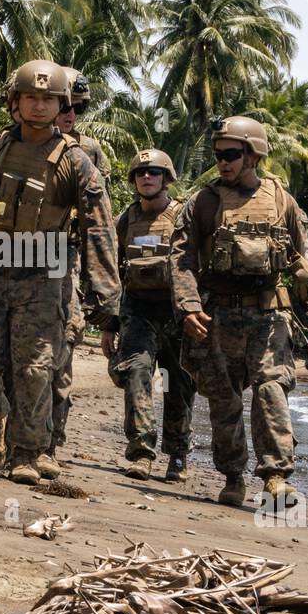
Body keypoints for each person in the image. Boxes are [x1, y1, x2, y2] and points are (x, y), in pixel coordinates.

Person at [0, 60, 120, 485]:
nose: (40, 106)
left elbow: (99, 226)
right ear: (15, 101)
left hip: (42, 275)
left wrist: (106, 293)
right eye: (31, 97)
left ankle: (25, 453)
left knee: (34, 368)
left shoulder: (77, 162)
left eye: (48, 99)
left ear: (61, 103)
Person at [170, 116, 308, 507]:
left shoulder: (281, 201)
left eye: (232, 154)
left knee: (272, 389)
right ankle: (232, 476)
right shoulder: (203, 203)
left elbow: (302, 261)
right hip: (217, 317)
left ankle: (275, 476)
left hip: (269, 316)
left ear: (253, 155)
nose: (223, 162)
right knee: (224, 401)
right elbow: (181, 259)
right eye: (219, 154)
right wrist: (189, 306)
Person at [100, 150, 196, 483]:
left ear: (166, 177)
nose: (146, 177)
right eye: (140, 172)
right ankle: (141, 452)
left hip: (177, 312)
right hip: (138, 309)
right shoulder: (126, 220)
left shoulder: (183, 216)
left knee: (178, 385)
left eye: (154, 172)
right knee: (138, 372)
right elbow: (112, 272)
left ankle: (178, 455)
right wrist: (109, 325)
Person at [48, 67, 107, 460]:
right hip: (17, 253)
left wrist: (99, 277)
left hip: (65, 257)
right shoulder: (14, 144)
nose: (70, 115)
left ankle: (53, 434)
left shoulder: (89, 153)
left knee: (64, 341)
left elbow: (99, 219)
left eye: (77, 109)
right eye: (65, 106)